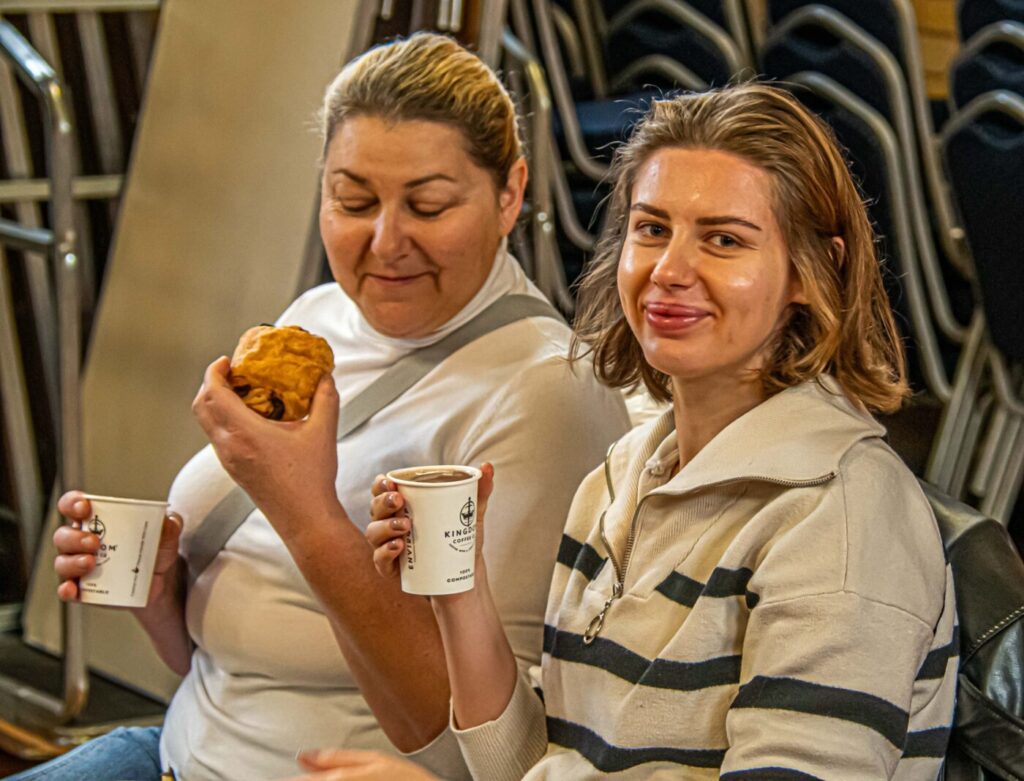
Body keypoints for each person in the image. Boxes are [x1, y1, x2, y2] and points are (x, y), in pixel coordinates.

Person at [24, 33, 630, 781]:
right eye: (353, 200)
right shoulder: (315, 317)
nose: (385, 242)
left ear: (510, 194)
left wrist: (303, 508)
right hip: (170, 751)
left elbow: (491, 754)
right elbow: (219, 661)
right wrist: (159, 595)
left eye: (428, 205)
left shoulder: (548, 392)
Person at [360, 84, 959, 779]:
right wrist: (456, 592)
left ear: (813, 269)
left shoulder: (840, 517)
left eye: (724, 240)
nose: (669, 271)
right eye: (651, 229)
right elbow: (540, 765)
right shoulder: (621, 475)